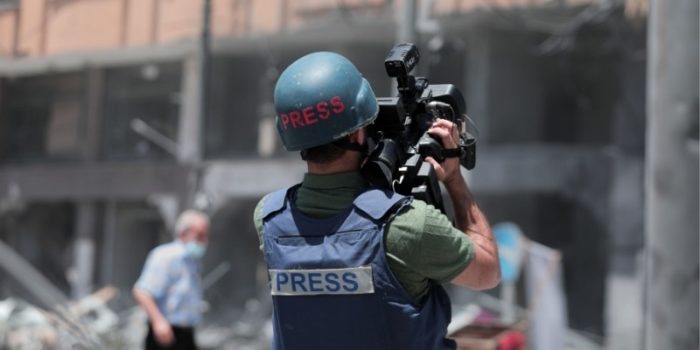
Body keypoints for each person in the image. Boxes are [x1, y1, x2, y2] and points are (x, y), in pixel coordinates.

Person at [253, 51, 501, 350]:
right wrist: (454, 180)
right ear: (358, 135)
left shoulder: (269, 219)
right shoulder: (405, 226)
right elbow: (488, 272)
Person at [133, 210, 210, 350]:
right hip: (166, 335)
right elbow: (142, 291)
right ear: (183, 233)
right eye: (199, 235)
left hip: (186, 334)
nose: (204, 240)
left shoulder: (192, 262)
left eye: (205, 235)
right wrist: (158, 322)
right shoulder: (165, 256)